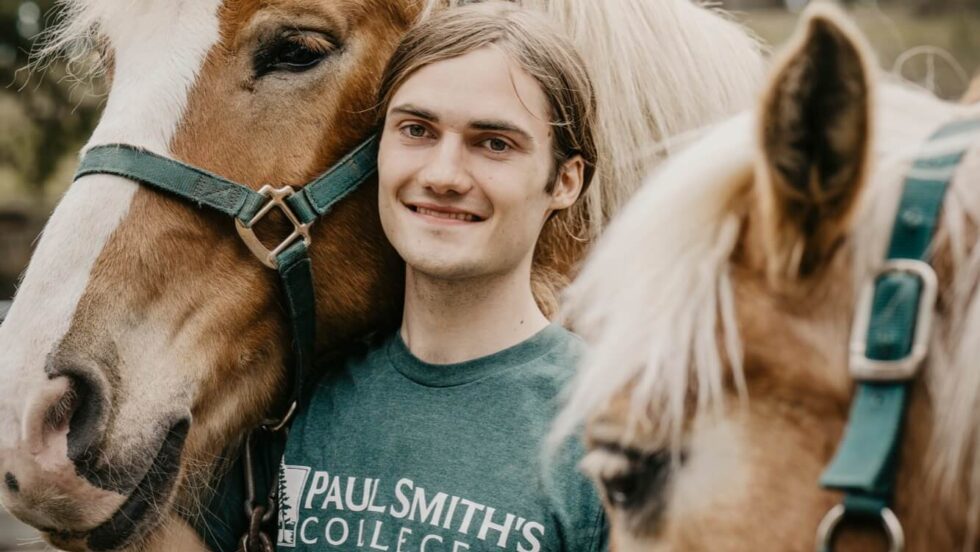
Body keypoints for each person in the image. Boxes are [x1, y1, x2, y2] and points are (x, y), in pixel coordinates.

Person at [199, 3, 604, 550]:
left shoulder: (611, 423)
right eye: (416, 129)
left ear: (565, 181)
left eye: (494, 143)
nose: (442, 175)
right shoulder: (302, 392)